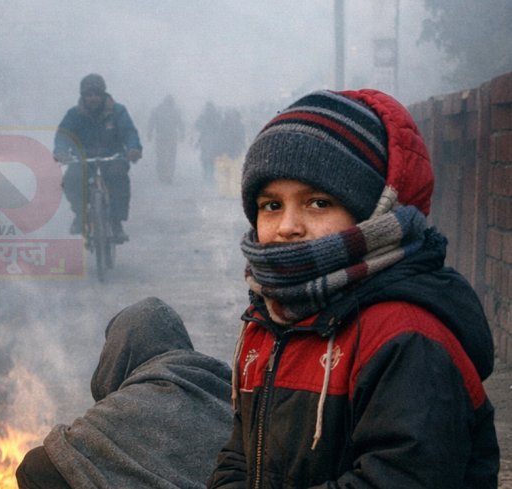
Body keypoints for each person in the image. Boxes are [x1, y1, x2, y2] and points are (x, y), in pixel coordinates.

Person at [207, 89, 499, 488]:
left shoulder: (407, 338)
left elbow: (398, 478)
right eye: (271, 205)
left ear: (368, 213)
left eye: (318, 203)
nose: (288, 225)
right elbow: (239, 455)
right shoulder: (269, 318)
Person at [16, 297, 234, 489]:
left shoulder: (131, 402)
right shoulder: (220, 381)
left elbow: (58, 455)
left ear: (120, 351)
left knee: (35, 466)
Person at [53, 73, 142, 241]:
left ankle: (116, 222)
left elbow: (129, 132)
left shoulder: (118, 112)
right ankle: (80, 215)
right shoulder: (73, 115)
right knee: (71, 181)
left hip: (113, 157)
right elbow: (63, 135)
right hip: (84, 160)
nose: (93, 98)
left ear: (103, 94)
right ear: (83, 96)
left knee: (119, 179)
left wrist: (133, 149)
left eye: (96, 94)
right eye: (88, 95)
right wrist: (61, 151)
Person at [146, 94, 185, 184]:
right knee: (171, 157)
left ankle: (162, 175)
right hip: (171, 137)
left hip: (161, 137)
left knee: (161, 157)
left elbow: (151, 123)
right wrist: (182, 134)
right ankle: (169, 176)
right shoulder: (175, 111)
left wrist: (149, 133)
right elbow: (180, 124)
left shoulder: (157, 110)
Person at [194, 101, 224, 181]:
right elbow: (220, 126)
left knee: (205, 158)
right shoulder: (216, 116)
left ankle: (206, 173)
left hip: (206, 139)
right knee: (210, 158)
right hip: (213, 139)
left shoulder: (204, 116)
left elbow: (197, 125)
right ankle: (210, 174)